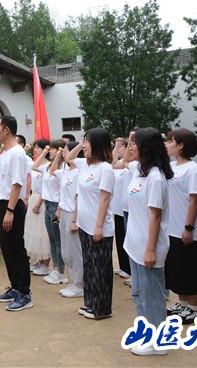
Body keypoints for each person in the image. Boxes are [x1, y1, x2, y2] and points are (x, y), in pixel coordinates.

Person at [123, 128, 172, 356]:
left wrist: (150, 250)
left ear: (147, 148)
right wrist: (131, 139)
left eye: (136, 144)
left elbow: (155, 216)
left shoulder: (155, 178)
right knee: (139, 294)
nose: (131, 148)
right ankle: (147, 335)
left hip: (148, 247)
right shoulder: (138, 171)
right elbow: (124, 160)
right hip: (134, 246)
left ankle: (159, 343)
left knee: (152, 296)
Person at [67, 128, 115, 320]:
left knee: (100, 269)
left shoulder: (106, 169)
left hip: (99, 227)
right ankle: (90, 303)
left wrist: (99, 226)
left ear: (98, 144)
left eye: (87, 142)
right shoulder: (84, 165)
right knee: (89, 267)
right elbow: (69, 157)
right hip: (84, 225)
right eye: (84, 141)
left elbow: (104, 199)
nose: (84, 145)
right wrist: (80, 143)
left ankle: (102, 309)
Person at [0, 116, 33, 311]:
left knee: (16, 249)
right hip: (2, 204)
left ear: (6, 130)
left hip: (11, 206)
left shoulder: (17, 154)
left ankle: (24, 293)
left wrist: (10, 211)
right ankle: (15, 287)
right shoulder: (7, 152)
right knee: (7, 249)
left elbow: (17, 184)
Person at [164, 128, 197, 325]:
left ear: (180, 145)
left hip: (186, 228)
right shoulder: (172, 167)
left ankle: (193, 309)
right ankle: (182, 304)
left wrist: (188, 228)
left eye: (170, 141)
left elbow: (194, 200)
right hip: (171, 227)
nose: (167, 144)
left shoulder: (192, 169)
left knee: (190, 267)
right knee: (177, 267)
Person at [51, 141, 84, 297]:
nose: (63, 152)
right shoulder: (65, 170)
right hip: (64, 212)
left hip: (72, 214)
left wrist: (74, 221)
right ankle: (73, 282)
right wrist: (59, 208)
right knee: (66, 251)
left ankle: (80, 285)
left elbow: (78, 197)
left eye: (65, 150)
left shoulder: (79, 172)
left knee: (74, 251)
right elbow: (52, 171)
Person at [33, 139, 68, 285]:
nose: (51, 151)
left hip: (56, 206)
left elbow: (64, 190)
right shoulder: (47, 166)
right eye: (50, 149)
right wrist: (45, 152)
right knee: (52, 239)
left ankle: (61, 271)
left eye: (53, 149)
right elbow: (34, 166)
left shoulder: (63, 168)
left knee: (58, 240)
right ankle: (55, 269)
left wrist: (59, 207)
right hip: (47, 205)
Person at [25, 139, 52, 276]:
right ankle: (38, 260)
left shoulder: (48, 165)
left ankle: (45, 264)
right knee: (33, 231)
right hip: (33, 197)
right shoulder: (36, 164)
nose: (35, 150)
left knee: (43, 232)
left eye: (38, 148)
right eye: (34, 147)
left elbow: (46, 187)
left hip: (41, 200)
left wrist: (38, 203)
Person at [111, 137, 131, 280]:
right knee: (120, 239)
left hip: (128, 209)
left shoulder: (129, 164)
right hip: (117, 209)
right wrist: (116, 146)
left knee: (127, 238)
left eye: (122, 146)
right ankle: (124, 266)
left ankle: (130, 268)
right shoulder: (119, 164)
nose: (118, 149)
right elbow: (112, 162)